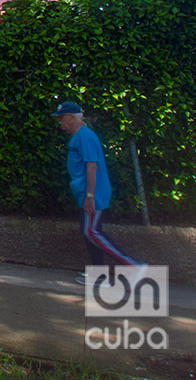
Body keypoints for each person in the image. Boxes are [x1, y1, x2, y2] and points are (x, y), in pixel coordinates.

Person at [50, 101, 142, 282]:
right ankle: (100, 275)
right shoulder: (79, 136)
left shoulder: (84, 136)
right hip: (87, 193)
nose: (60, 122)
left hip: (93, 194)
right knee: (90, 232)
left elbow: (92, 166)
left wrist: (90, 196)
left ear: (70, 118)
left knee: (92, 232)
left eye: (61, 119)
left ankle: (133, 266)